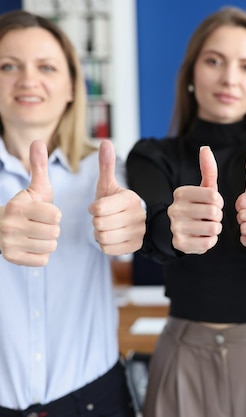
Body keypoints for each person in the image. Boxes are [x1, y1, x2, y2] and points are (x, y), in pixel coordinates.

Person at [126, 6, 246, 417]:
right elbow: (151, 221)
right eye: (215, 61)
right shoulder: (152, 156)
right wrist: (173, 228)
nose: (230, 78)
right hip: (183, 355)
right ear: (191, 73)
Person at [0, 10, 146, 417]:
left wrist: (134, 221)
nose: (28, 79)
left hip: (93, 400)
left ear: (70, 87)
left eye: (46, 67)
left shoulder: (107, 174)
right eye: (8, 66)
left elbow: (137, 216)